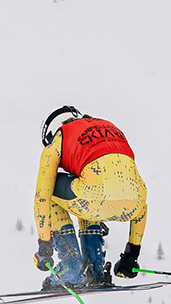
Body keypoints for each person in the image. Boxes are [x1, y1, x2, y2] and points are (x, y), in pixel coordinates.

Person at [32, 105, 149, 289]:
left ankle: (71, 266)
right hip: (132, 205)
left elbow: (42, 197)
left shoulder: (60, 137)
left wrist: (44, 245)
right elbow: (141, 206)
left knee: (56, 188)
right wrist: (131, 256)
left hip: (91, 196)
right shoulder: (110, 127)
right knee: (84, 188)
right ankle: (95, 269)